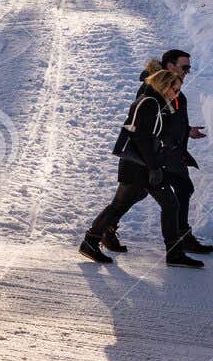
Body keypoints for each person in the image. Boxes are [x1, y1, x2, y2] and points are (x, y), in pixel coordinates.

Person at [81, 61, 205, 268]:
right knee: (166, 204)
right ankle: (173, 254)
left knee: (125, 205)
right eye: (175, 89)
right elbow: (142, 138)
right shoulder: (149, 103)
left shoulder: (157, 103)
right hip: (139, 166)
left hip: (142, 164)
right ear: (165, 86)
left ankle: (90, 242)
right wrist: (155, 167)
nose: (177, 94)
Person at [148, 49, 213, 255]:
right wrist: (166, 144)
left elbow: (171, 120)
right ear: (170, 66)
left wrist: (186, 131)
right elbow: (151, 124)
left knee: (183, 190)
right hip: (160, 155)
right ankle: (99, 233)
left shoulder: (174, 89)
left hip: (174, 153)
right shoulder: (154, 89)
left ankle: (181, 238)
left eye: (189, 68)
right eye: (184, 67)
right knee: (132, 194)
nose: (187, 71)